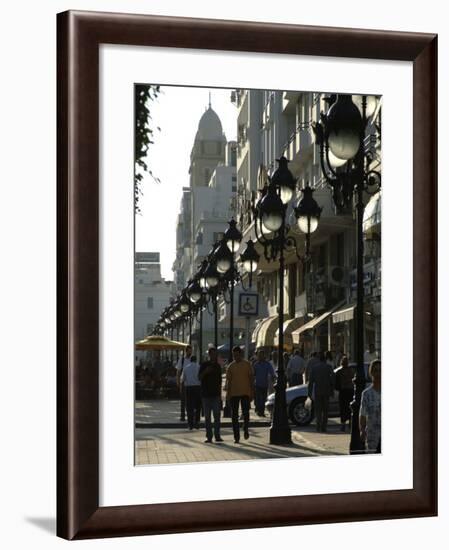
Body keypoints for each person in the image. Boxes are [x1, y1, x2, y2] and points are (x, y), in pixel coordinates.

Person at [226, 346, 254, 443]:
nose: (235, 357)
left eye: (237, 355)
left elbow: (251, 379)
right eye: (234, 355)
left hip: (245, 392)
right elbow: (228, 382)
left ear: (240, 354)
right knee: (234, 416)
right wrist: (228, 395)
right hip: (234, 394)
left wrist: (252, 392)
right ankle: (236, 436)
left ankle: (245, 429)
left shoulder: (247, 364)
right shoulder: (230, 366)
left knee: (246, 413)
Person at [198, 347, 223, 443]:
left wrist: (220, 396)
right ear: (209, 355)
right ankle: (209, 436)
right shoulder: (204, 365)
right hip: (206, 395)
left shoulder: (217, 366)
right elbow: (199, 377)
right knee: (207, 417)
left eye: (215, 354)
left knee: (217, 416)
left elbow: (220, 382)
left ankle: (217, 436)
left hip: (215, 395)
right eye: (212, 354)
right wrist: (205, 372)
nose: (214, 356)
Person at [307, 351, 335, 432]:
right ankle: (324, 426)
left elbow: (311, 382)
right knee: (325, 410)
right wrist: (332, 390)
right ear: (325, 359)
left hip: (318, 391)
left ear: (319, 359)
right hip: (326, 391)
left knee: (318, 410)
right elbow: (332, 380)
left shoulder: (315, 368)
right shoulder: (328, 367)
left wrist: (309, 393)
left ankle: (318, 426)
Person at [360, 360, 381, 453]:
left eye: (380, 370)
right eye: (375, 370)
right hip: (372, 435)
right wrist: (362, 430)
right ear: (371, 373)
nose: (378, 373)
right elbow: (362, 414)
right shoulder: (366, 394)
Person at [334, 355, 355, 432]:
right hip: (350, 391)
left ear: (341, 363)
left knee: (343, 409)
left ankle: (343, 425)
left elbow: (336, 384)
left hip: (343, 392)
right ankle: (350, 423)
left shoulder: (339, 372)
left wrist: (339, 388)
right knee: (350, 408)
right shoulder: (351, 371)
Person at [180, 354, 201, 430]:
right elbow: (201, 378)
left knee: (189, 406)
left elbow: (182, 379)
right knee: (197, 406)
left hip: (188, 388)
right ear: (196, 360)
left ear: (190, 360)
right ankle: (197, 422)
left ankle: (190, 424)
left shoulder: (186, 368)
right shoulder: (199, 367)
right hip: (197, 388)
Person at [252, 349, 276, 416]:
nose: (260, 357)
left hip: (265, 384)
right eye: (259, 355)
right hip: (257, 384)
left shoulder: (267, 364)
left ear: (264, 356)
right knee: (258, 399)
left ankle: (261, 411)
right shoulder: (256, 364)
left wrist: (274, 377)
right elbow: (253, 374)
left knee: (263, 399)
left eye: (261, 355)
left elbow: (272, 372)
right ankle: (259, 410)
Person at [176, 345, 192, 421]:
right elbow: (178, 371)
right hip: (183, 382)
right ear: (186, 351)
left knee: (190, 400)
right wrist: (178, 382)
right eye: (189, 351)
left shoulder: (192, 359)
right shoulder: (182, 360)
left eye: (191, 351)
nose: (190, 352)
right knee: (183, 400)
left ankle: (189, 415)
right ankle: (182, 415)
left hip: (191, 382)